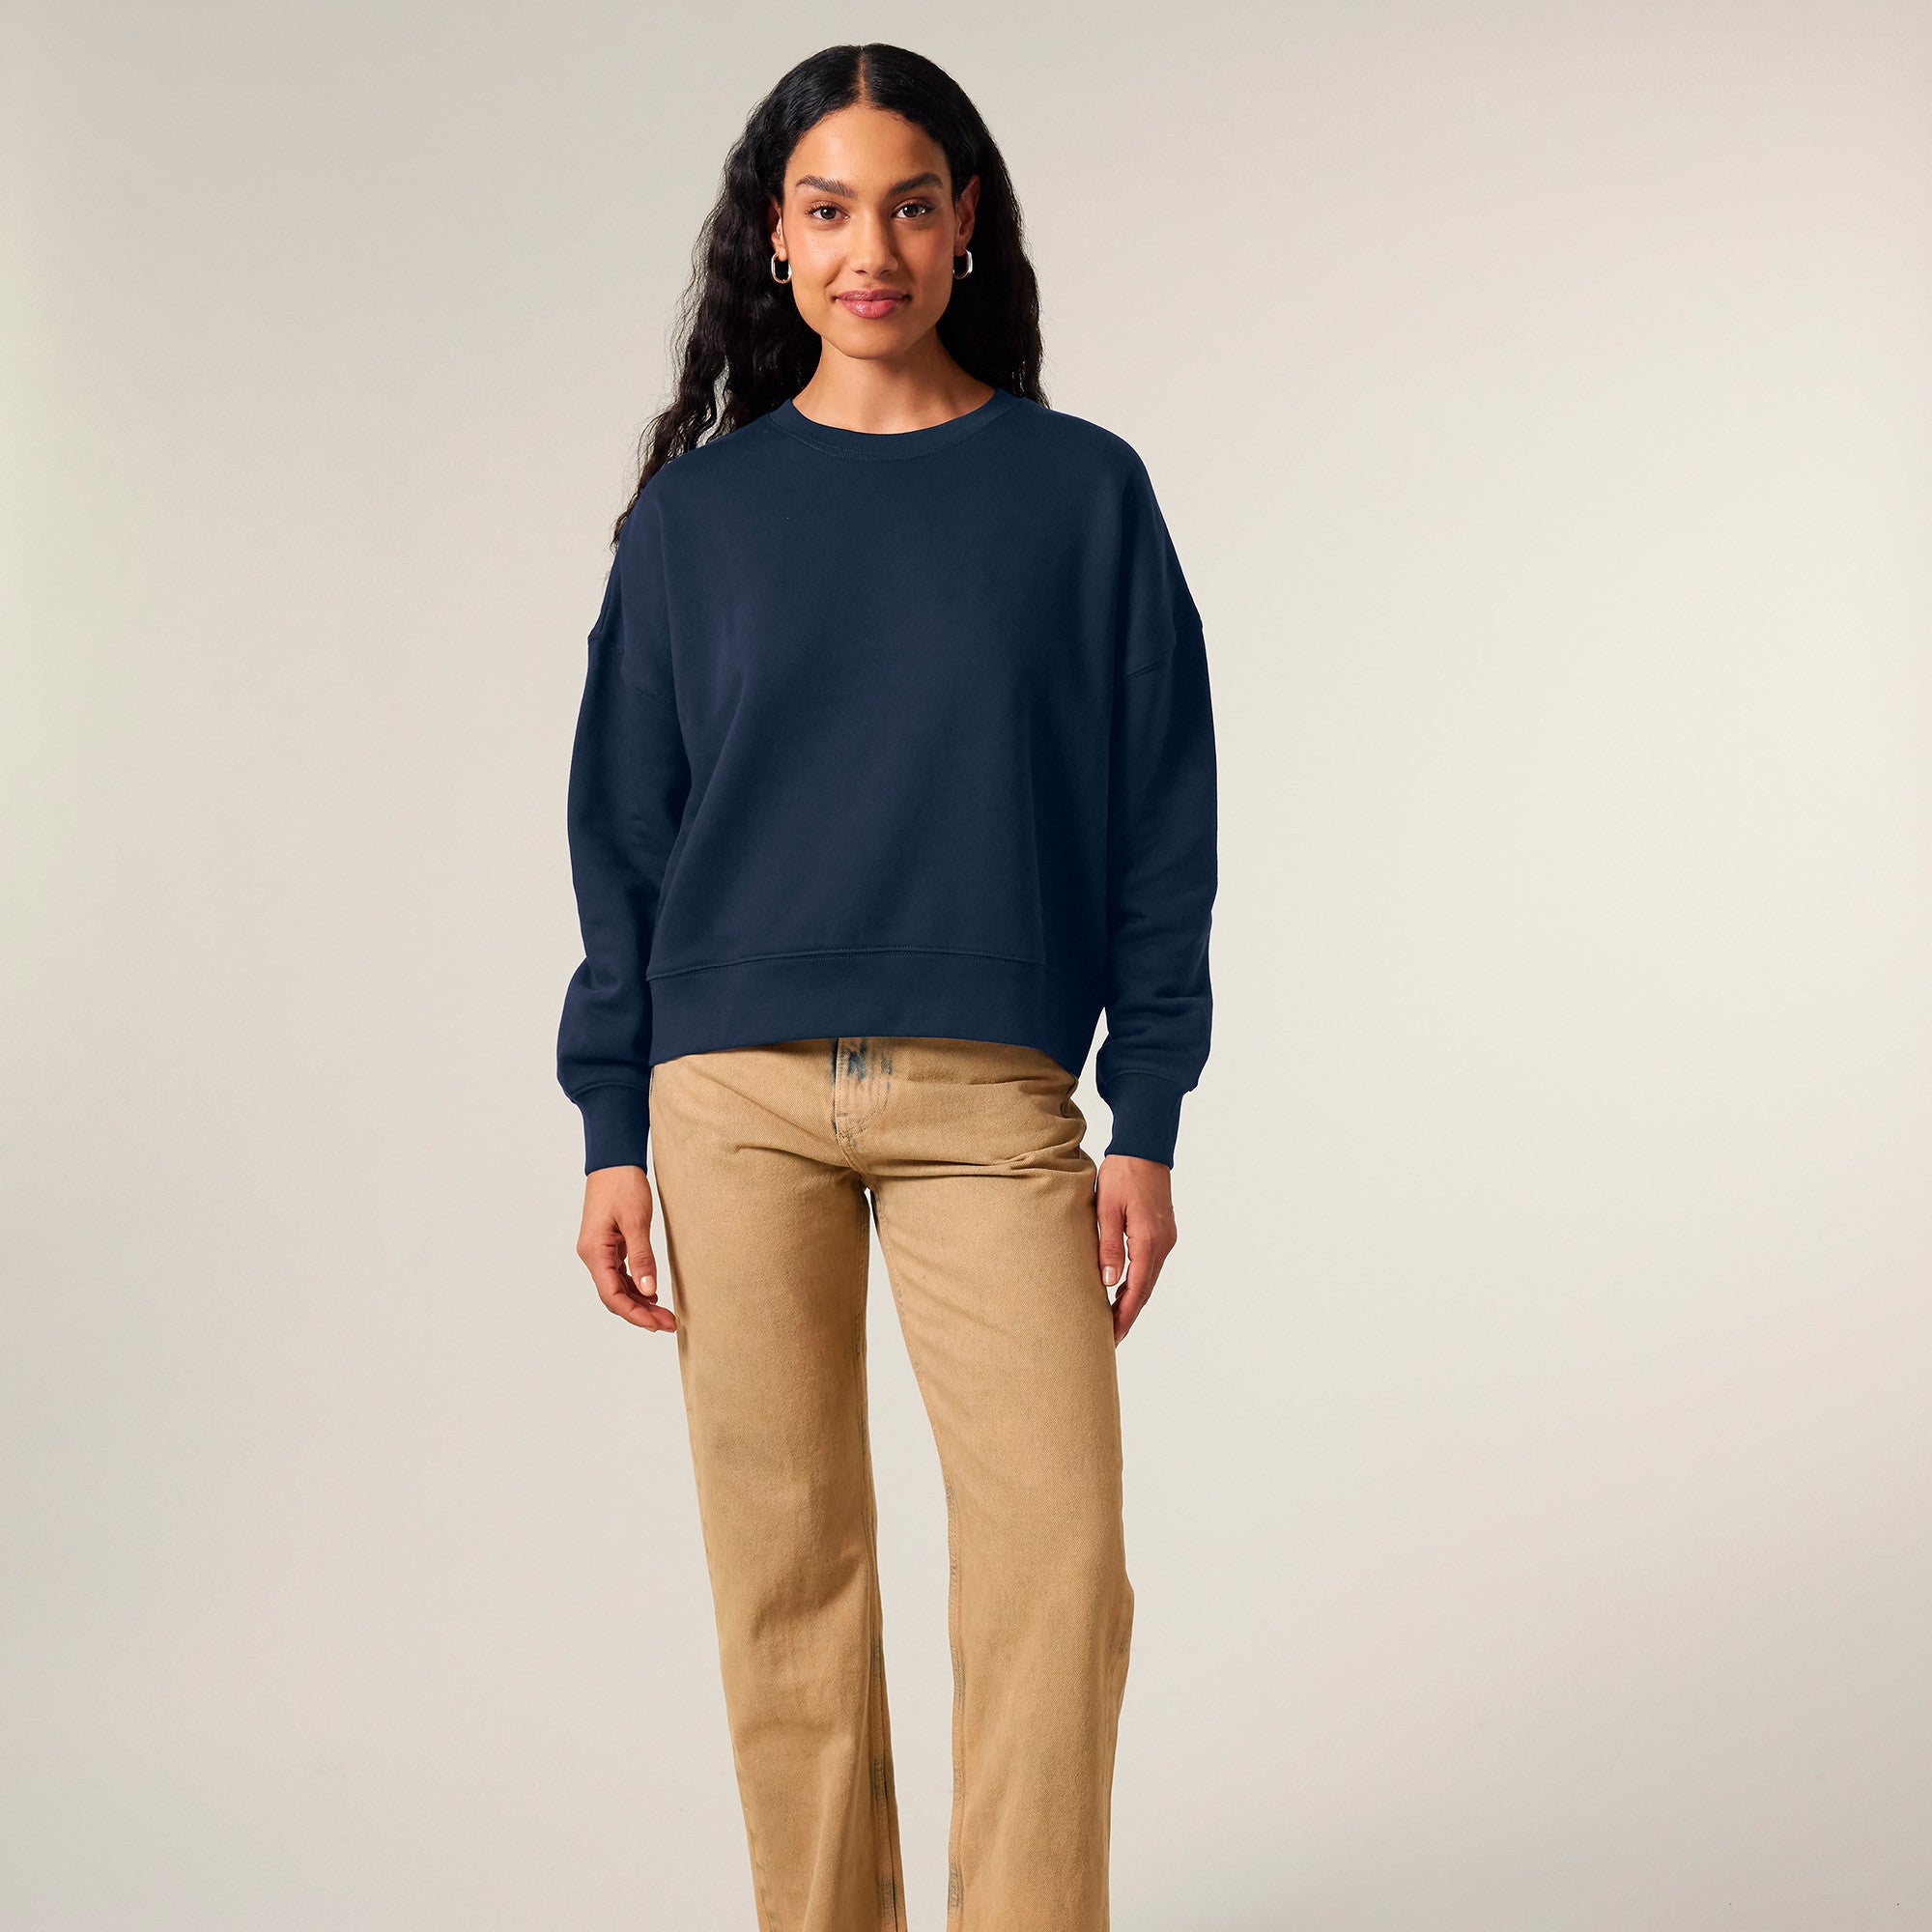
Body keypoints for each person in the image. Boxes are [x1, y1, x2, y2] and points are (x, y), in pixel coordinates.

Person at [555, 42, 1217, 1932]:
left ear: (964, 223)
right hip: (730, 1097)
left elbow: (1160, 821)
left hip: (988, 1102)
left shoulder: (1081, 494)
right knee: (788, 1585)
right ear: (774, 237)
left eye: (910, 206)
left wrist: (1147, 1116)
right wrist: (612, 1126)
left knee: (1057, 1566)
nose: (873, 251)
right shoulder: (698, 518)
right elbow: (625, 835)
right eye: (830, 210)